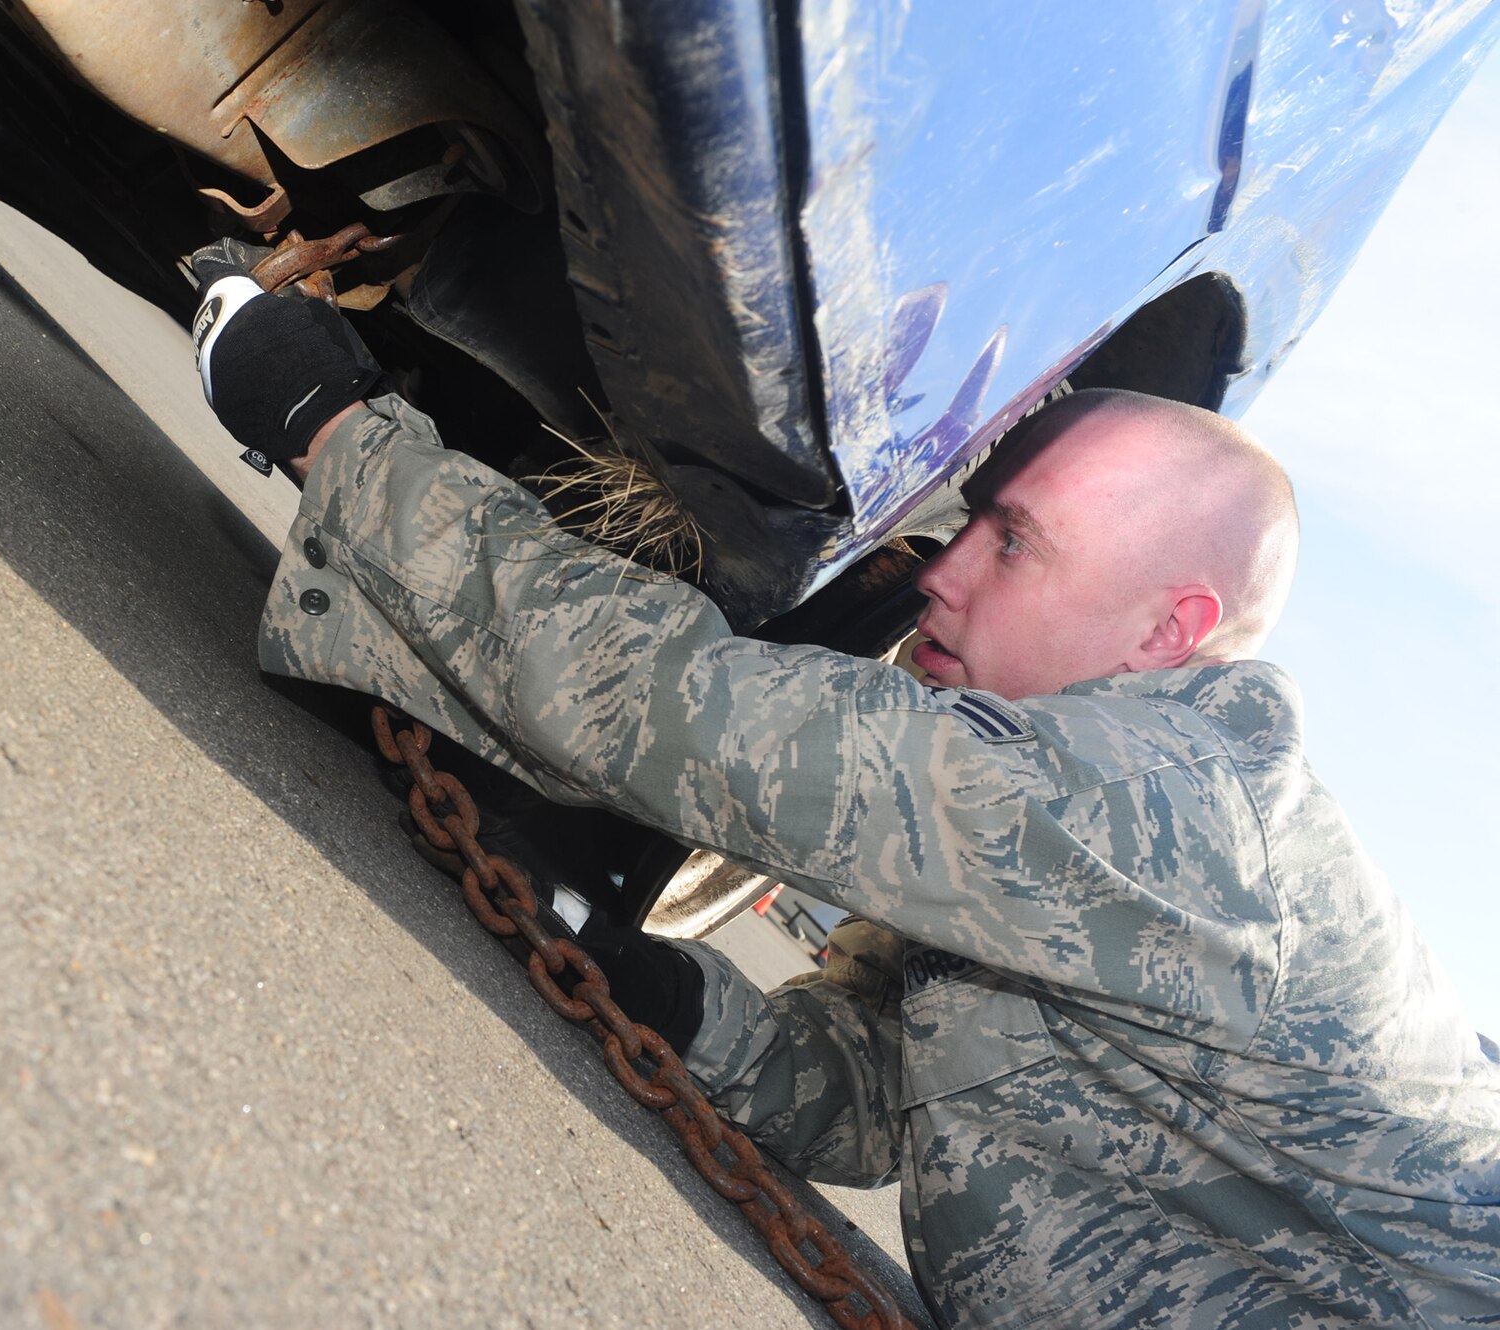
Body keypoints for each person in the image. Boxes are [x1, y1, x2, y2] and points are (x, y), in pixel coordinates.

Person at [187, 245, 1500, 1328]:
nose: (942, 569)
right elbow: (880, 1096)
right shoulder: (1047, 846)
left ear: (1167, 632)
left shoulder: (1180, 807)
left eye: (1014, 544)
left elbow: (682, 712)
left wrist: (335, 431)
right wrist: (663, 992)